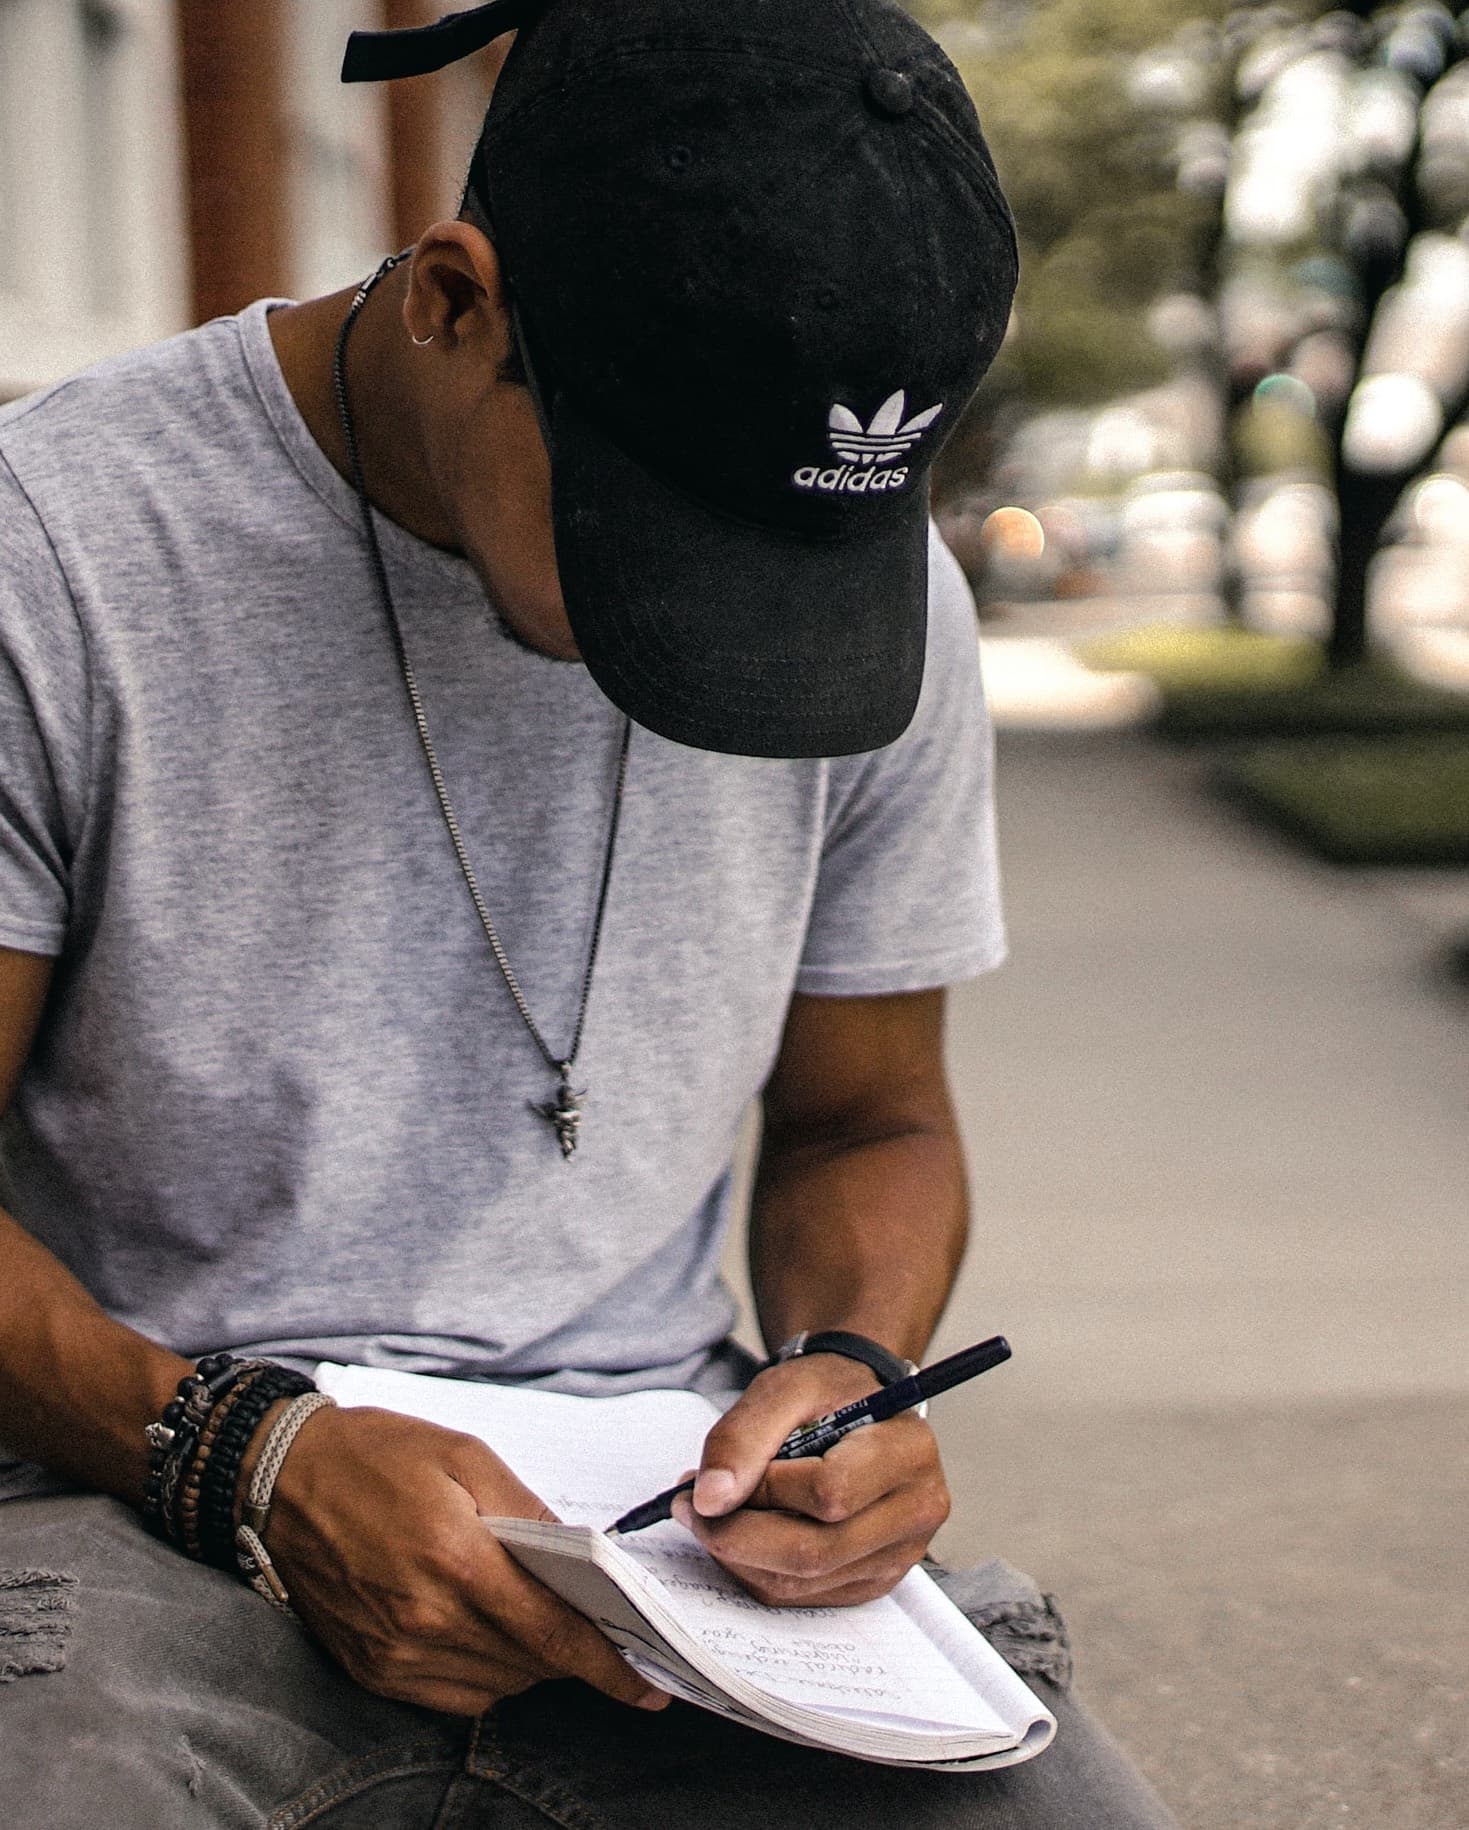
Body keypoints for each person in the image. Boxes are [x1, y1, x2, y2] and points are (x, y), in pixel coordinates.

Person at [0, 0, 1178, 1823]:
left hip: (667, 1545)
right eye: (662, 533)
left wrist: (849, 1372)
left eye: (792, 557)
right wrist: (245, 1453)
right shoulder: (57, 550)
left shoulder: (880, 606)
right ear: (452, 302)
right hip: (132, 1492)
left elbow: (867, 1116)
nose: (730, 627)